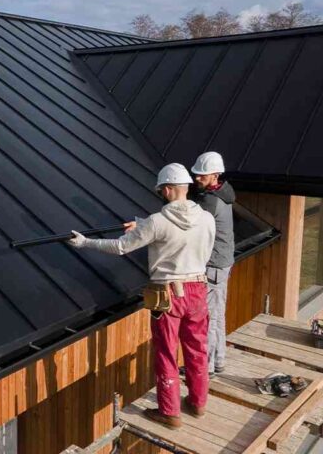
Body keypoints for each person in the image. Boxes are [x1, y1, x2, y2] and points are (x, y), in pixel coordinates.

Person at [68, 163, 215, 428]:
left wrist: (85, 243)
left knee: (167, 352)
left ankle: (170, 412)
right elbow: (184, 235)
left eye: (161, 191)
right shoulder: (207, 218)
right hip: (199, 290)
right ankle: (198, 402)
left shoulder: (158, 222)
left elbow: (122, 247)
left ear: (168, 189)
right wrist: (143, 225)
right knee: (197, 349)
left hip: (169, 294)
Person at [190, 152, 235, 376]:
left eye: (202, 175)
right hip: (222, 263)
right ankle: (218, 361)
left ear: (215, 175)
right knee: (217, 314)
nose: (196, 178)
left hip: (214, 265)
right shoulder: (223, 193)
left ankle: (205, 368)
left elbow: (190, 224)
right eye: (196, 174)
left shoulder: (210, 202)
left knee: (209, 317)